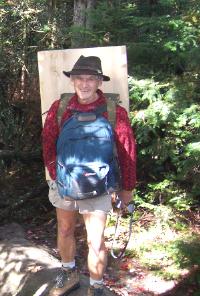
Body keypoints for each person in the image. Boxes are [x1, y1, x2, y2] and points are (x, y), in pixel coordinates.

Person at [42, 55, 136, 296]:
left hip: (100, 185)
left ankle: (96, 286)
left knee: (96, 239)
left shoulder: (115, 112)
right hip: (64, 181)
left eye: (91, 79)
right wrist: (55, 175)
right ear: (72, 81)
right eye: (80, 79)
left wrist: (127, 190)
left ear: (99, 83)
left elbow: (127, 151)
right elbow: (48, 143)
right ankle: (69, 272)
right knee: (64, 229)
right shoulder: (60, 108)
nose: (85, 84)